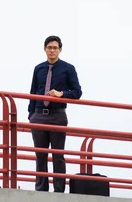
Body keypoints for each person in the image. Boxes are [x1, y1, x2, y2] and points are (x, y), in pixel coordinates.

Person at [28, 35, 82, 193]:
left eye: (55, 48)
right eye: (49, 47)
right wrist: (31, 115)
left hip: (57, 115)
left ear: (60, 50)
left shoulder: (68, 68)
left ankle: (59, 192)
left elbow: (77, 92)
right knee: (40, 155)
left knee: (57, 155)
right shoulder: (38, 68)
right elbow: (32, 92)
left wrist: (61, 94)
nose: (52, 51)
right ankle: (41, 191)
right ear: (44, 49)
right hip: (38, 115)